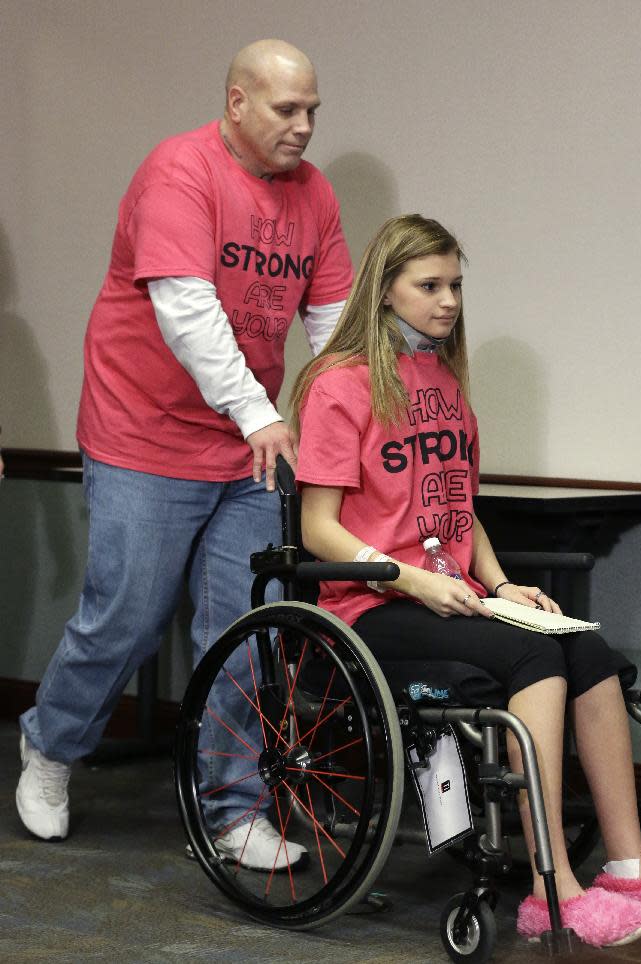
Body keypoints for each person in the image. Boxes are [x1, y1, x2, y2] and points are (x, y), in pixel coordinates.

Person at [291, 214, 641, 948]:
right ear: (384, 290)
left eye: (456, 284)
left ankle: (630, 866)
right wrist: (410, 580)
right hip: (369, 608)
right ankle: (554, 889)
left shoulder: (444, 378)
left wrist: (499, 584)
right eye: (430, 285)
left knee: (585, 649)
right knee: (533, 659)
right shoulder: (340, 384)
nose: (449, 300)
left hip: (451, 591)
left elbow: (457, 507)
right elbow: (318, 527)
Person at [16, 39, 353, 871]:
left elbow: (334, 325)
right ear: (237, 103)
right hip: (144, 430)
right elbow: (187, 311)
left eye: (313, 110)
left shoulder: (314, 196)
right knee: (126, 613)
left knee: (241, 629)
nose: (305, 127)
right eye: (287, 110)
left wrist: (350, 418)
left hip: (244, 447)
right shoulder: (180, 171)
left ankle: (232, 804)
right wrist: (259, 414)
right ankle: (51, 749)